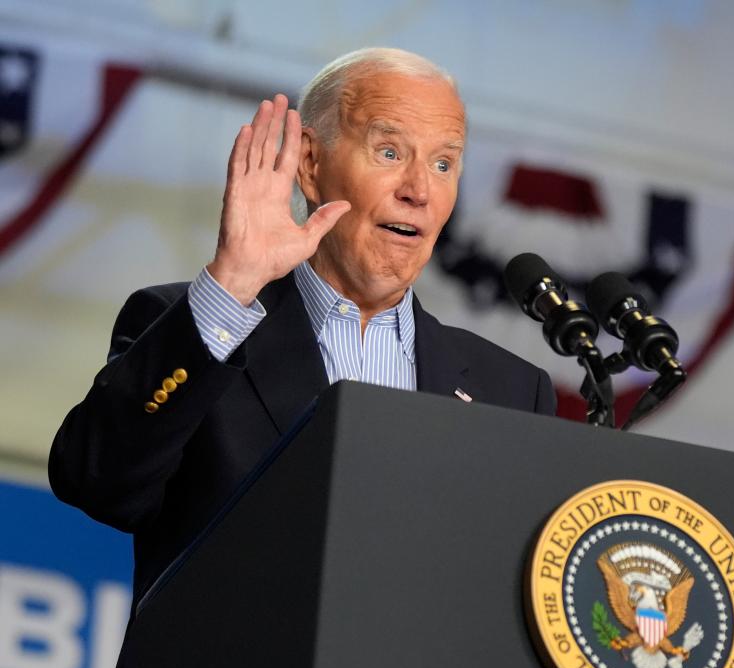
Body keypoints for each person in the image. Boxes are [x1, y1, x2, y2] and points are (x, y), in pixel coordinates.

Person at [48, 48, 555, 617]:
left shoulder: (511, 392)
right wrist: (234, 284)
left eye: (444, 164)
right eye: (390, 152)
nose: (420, 189)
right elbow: (96, 481)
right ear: (311, 166)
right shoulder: (195, 328)